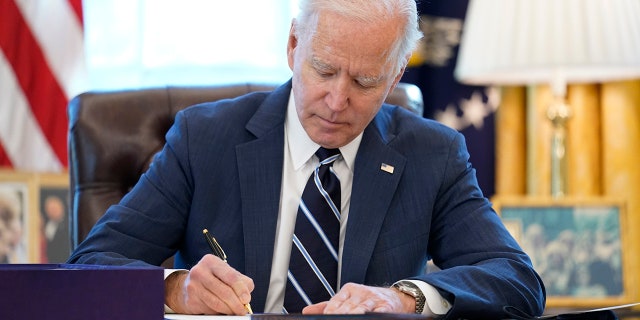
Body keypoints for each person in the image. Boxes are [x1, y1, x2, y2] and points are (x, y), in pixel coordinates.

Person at [68, 0, 546, 318]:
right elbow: (90, 265)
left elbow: (517, 280)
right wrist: (176, 290)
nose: (337, 100)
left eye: (364, 82)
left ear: (397, 72)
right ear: (294, 46)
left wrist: (406, 298)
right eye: (323, 69)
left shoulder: (432, 155)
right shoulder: (204, 138)